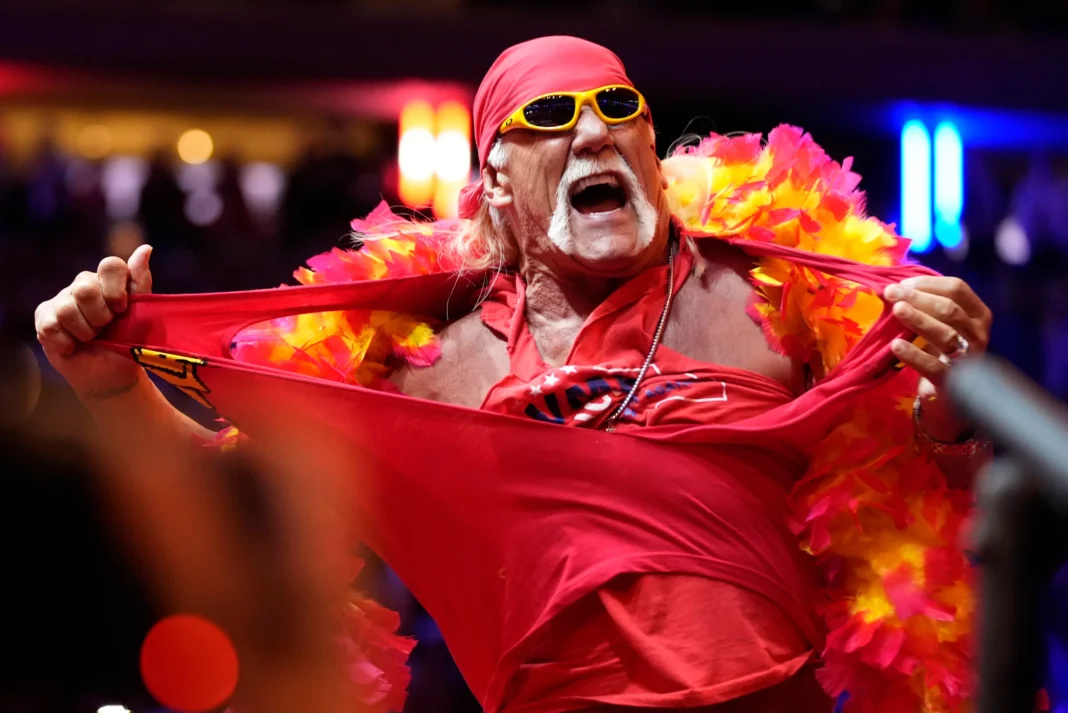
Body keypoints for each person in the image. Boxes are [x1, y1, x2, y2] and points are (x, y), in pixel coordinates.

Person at [35, 37, 992, 713]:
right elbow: (245, 511)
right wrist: (109, 384)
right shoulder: (432, 365)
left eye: (619, 110)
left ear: (652, 154)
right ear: (494, 181)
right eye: (550, 118)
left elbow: (936, 503)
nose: (594, 134)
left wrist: (954, 392)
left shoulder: (772, 297)